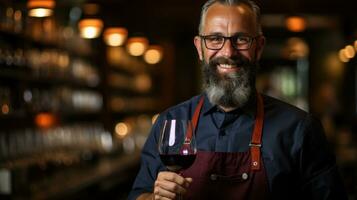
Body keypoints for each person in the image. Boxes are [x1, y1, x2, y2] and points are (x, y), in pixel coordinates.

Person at [128, 0, 347, 199]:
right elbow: (140, 195)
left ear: (259, 47)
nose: (228, 51)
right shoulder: (171, 122)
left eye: (241, 39)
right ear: (199, 47)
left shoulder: (300, 129)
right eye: (215, 39)